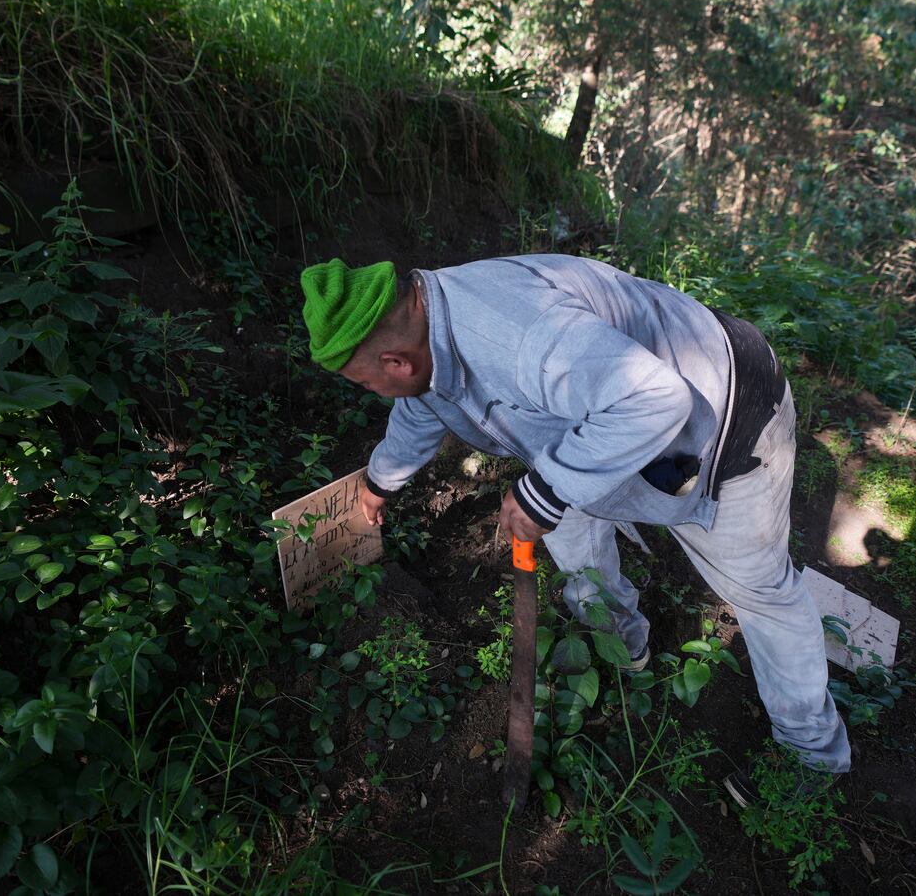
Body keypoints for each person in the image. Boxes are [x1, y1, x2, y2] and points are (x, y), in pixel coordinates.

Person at [299, 254, 850, 788]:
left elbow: (655, 399)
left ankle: (813, 754)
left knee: (762, 592)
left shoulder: (513, 335)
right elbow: (424, 403)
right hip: (605, 417)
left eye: (367, 382)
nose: (373, 391)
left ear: (397, 362)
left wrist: (545, 491)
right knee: (564, 515)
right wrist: (379, 480)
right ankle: (621, 648)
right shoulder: (427, 327)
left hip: (727, 413)